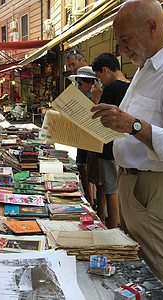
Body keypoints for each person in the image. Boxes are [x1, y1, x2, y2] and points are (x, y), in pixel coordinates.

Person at [91, 1, 163, 298]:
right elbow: (132, 126)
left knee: (158, 272)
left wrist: (132, 125)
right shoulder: (145, 68)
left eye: (125, 38)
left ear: (151, 27)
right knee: (138, 268)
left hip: (154, 184)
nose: (122, 47)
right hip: (132, 180)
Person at [90, 53, 130, 229]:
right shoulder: (130, 85)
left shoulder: (111, 87)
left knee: (110, 189)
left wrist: (97, 98)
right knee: (121, 187)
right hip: (126, 143)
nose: (100, 81)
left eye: (99, 76)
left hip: (109, 145)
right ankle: (121, 224)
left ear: (105, 70)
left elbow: (102, 116)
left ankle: (113, 227)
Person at [67, 49, 95, 208]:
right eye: (70, 66)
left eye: (73, 64)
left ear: (82, 60)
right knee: (82, 166)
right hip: (81, 134)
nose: (71, 68)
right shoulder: (79, 86)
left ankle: (92, 202)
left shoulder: (92, 84)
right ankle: (90, 201)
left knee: (90, 170)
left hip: (91, 135)